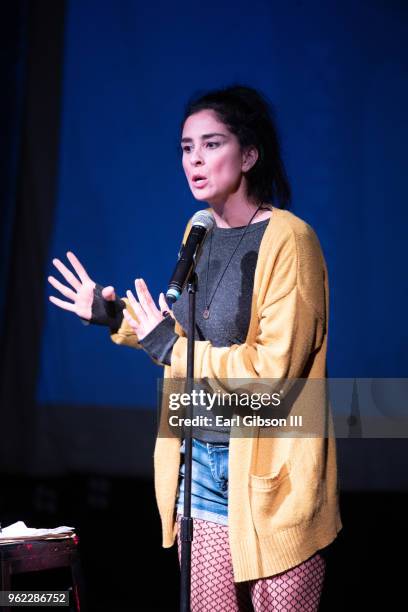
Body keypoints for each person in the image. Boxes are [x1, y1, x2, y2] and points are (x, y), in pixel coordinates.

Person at [48, 85, 342, 611]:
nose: (195, 160)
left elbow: (271, 372)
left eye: (211, 144)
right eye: (187, 147)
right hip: (199, 463)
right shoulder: (199, 230)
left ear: (249, 155)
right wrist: (113, 316)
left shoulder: (290, 240)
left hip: (271, 473)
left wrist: (171, 348)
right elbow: (178, 340)